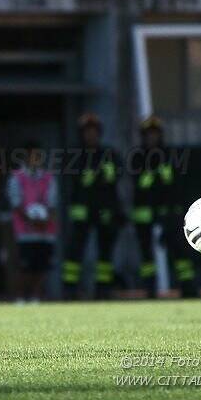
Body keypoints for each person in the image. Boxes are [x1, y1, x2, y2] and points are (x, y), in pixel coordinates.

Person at [130, 115, 199, 298]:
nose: (152, 138)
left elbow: (177, 183)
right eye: (148, 134)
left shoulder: (170, 154)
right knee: (147, 254)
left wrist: (158, 177)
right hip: (144, 212)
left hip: (168, 211)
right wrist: (156, 175)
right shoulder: (138, 156)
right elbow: (139, 183)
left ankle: (188, 287)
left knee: (178, 249)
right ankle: (150, 289)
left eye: (155, 134)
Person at [62, 113, 125, 300]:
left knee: (105, 250)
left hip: (105, 210)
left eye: (94, 131)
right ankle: (70, 289)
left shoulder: (109, 154)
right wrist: (91, 177)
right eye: (87, 131)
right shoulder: (74, 155)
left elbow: (117, 175)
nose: (91, 135)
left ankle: (103, 288)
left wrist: (102, 176)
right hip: (82, 211)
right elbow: (72, 179)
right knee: (75, 250)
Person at [6, 141, 58, 303]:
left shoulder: (49, 177)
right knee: (25, 266)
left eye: (38, 156)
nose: (35, 159)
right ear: (25, 157)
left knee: (41, 266)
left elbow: (52, 202)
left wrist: (45, 219)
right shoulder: (17, 177)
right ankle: (20, 297)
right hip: (25, 232)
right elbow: (16, 203)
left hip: (45, 231)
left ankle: (36, 297)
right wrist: (31, 220)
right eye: (32, 156)